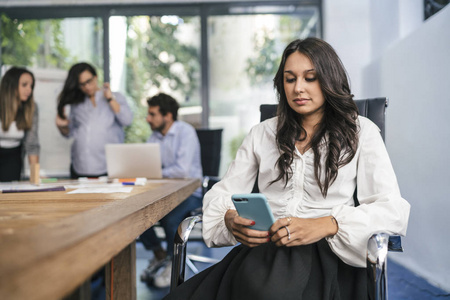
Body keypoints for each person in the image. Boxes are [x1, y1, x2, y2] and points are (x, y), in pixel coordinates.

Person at [164, 38, 410, 299]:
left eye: (310, 78)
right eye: (290, 79)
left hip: (332, 256)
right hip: (265, 253)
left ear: (329, 79)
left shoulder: (362, 131)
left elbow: (390, 208)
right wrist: (230, 218)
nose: (298, 88)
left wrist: (327, 224)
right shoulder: (262, 134)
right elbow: (223, 192)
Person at [140, 93, 203, 288]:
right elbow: (148, 167)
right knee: (138, 214)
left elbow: (182, 170)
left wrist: (155, 173)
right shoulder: (154, 136)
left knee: (170, 219)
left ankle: (172, 262)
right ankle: (159, 254)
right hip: (164, 192)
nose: (147, 119)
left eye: (152, 114)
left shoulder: (185, 132)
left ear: (167, 116)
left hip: (190, 193)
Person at [55, 62, 133, 178]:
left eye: (89, 81)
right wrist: (62, 127)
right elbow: (70, 133)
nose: (86, 87)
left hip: (108, 168)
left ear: (95, 77)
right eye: (82, 84)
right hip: (80, 167)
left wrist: (110, 99)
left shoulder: (116, 96)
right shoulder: (77, 104)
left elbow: (127, 120)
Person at [0, 67, 40, 182]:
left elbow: (32, 145)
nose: (29, 90)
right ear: (10, 86)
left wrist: (35, 178)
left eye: (31, 86)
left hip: (13, 158)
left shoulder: (31, 108)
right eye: (24, 85)